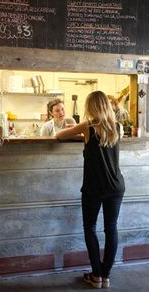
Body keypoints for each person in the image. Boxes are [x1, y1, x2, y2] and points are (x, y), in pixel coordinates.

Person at [56, 91, 125, 289]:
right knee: (111, 229)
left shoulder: (88, 126)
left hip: (94, 188)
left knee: (90, 228)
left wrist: (80, 134)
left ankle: (96, 275)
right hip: (116, 186)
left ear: (91, 107)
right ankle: (105, 275)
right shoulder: (118, 127)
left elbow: (59, 135)